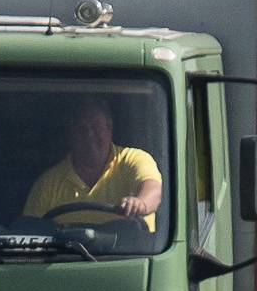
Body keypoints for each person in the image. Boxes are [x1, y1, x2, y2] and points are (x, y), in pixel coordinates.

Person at [23, 96, 163, 228]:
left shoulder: (133, 159)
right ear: (70, 135)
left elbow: (153, 189)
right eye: (82, 129)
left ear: (109, 131)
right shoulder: (48, 183)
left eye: (96, 127)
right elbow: (29, 232)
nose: (89, 134)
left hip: (133, 253)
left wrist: (141, 203)